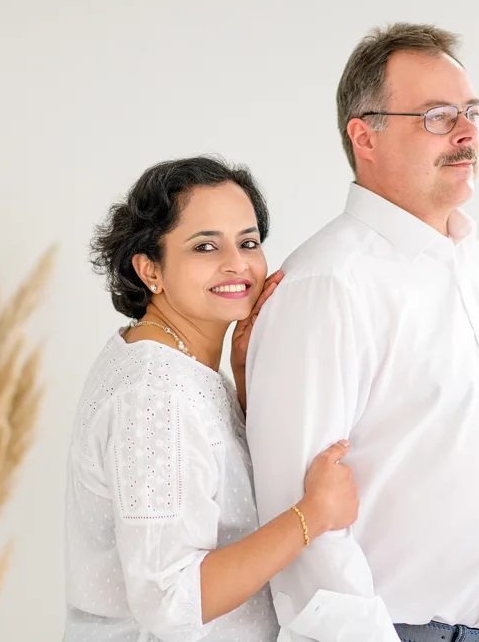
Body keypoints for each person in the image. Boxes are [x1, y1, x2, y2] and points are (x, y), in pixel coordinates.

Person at [244, 23, 479, 642]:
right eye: (437, 116)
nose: (467, 132)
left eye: (472, 112)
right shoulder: (327, 286)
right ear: (364, 137)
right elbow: (302, 533)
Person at [63, 156, 359, 642]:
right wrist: (312, 515)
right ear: (150, 269)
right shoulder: (154, 396)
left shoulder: (175, 362)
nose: (237, 264)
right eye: (205, 246)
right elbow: (170, 600)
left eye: (248, 242)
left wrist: (242, 377)